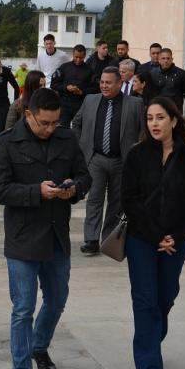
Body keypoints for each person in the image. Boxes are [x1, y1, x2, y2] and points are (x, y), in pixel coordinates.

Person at [0, 88, 92, 369]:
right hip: (23, 238)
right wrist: (36, 192)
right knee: (23, 309)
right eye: (44, 123)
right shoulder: (5, 143)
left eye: (54, 122)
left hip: (57, 236)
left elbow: (86, 177)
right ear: (28, 114)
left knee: (57, 299)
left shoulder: (67, 138)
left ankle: (39, 347)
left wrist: (74, 189)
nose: (50, 128)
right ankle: (21, 367)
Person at [121, 96, 185, 369]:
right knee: (145, 300)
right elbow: (129, 199)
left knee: (165, 296)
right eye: (149, 118)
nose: (154, 123)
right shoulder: (137, 154)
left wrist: (177, 236)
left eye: (160, 117)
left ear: (173, 120)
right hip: (142, 240)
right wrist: (157, 235)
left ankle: (152, 336)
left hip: (175, 241)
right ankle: (149, 363)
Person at [71, 67, 144, 255]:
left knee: (116, 202)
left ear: (119, 84)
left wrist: (137, 154)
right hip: (96, 159)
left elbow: (142, 131)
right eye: (102, 82)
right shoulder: (90, 100)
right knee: (94, 199)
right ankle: (91, 240)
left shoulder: (135, 104)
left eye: (108, 82)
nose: (104, 85)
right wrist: (82, 146)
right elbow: (76, 122)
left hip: (122, 160)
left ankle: (108, 240)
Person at [50, 44, 96, 127]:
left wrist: (82, 92)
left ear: (85, 56)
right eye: (76, 57)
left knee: (79, 129)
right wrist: (66, 88)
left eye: (81, 58)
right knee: (63, 129)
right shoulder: (64, 67)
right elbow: (53, 84)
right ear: (72, 55)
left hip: (81, 105)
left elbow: (95, 89)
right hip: (64, 105)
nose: (78, 60)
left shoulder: (90, 71)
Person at [151, 48, 185, 124]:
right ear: (159, 60)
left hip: (176, 113)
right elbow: (149, 95)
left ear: (172, 59)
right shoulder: (153, 74)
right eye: (163, 58)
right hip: (158, 113)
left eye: (168, 58)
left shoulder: (181, 74)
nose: (166, 61)